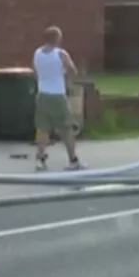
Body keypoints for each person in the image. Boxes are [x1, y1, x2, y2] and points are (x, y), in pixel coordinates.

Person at [32, 26, 84, 171]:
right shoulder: (61, 54)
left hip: (42, 95)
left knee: (42, 128)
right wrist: (66, 77)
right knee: (66, 129)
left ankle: (40, 160)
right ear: (57, 39)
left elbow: (35, 72)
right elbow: (73, 70)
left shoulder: (37, 53)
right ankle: (73, 160)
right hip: (57, 95)